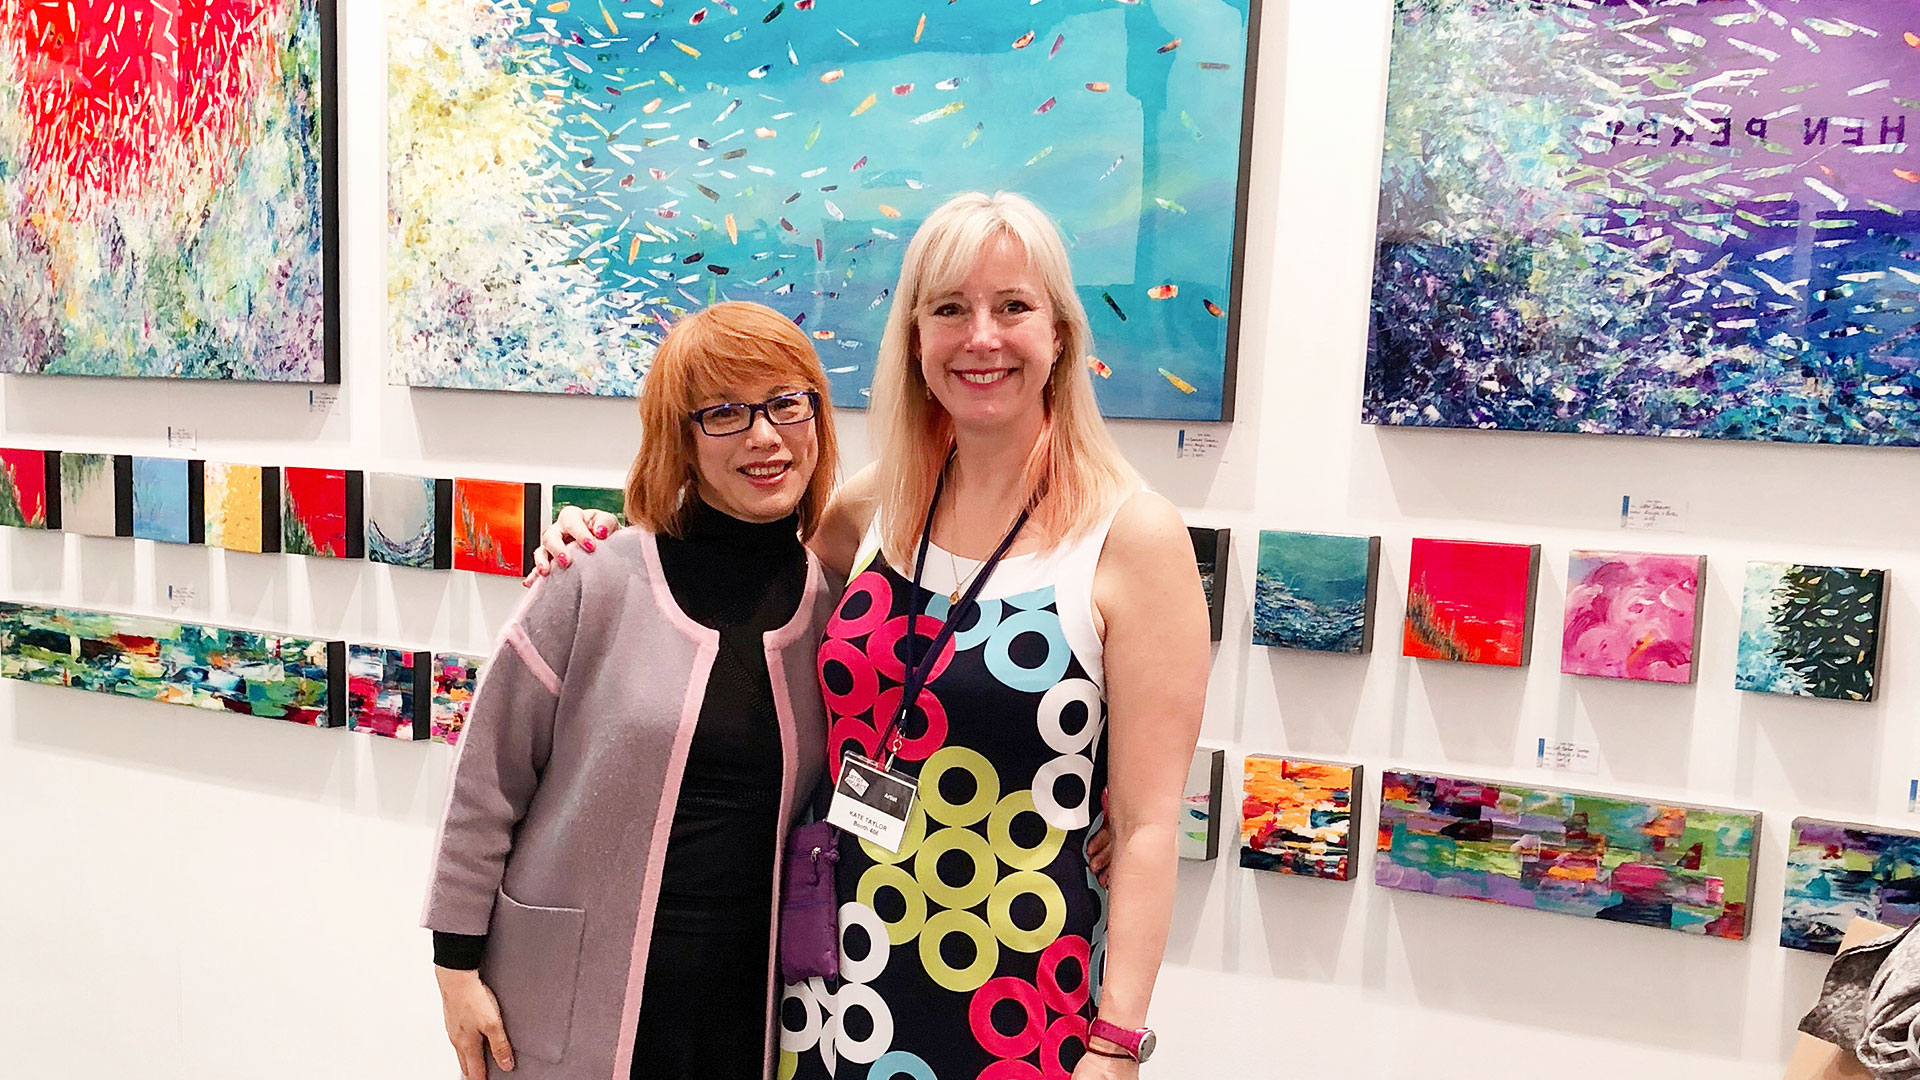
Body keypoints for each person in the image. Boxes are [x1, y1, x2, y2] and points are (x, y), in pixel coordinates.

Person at [537, 191, 1210, 1078]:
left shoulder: (1131, 538)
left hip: (1016, 988)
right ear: (916, 338)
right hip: (831, 981)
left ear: (1059, 335)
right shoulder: (874, 509)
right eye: (950, 309)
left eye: (1012, 306)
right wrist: (607, 544)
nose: (981, 338)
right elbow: (732, 595)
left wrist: (1116, 1044)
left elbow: (1150, 826)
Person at [424, 301, 843, 1080]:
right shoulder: (593, 578)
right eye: (725, 413)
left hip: (749, 1010)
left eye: (787, 403)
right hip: (574, 1000)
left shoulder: (834, 609)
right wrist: (455, 966)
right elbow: (487, 779)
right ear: (681, 438)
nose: (764, 436)